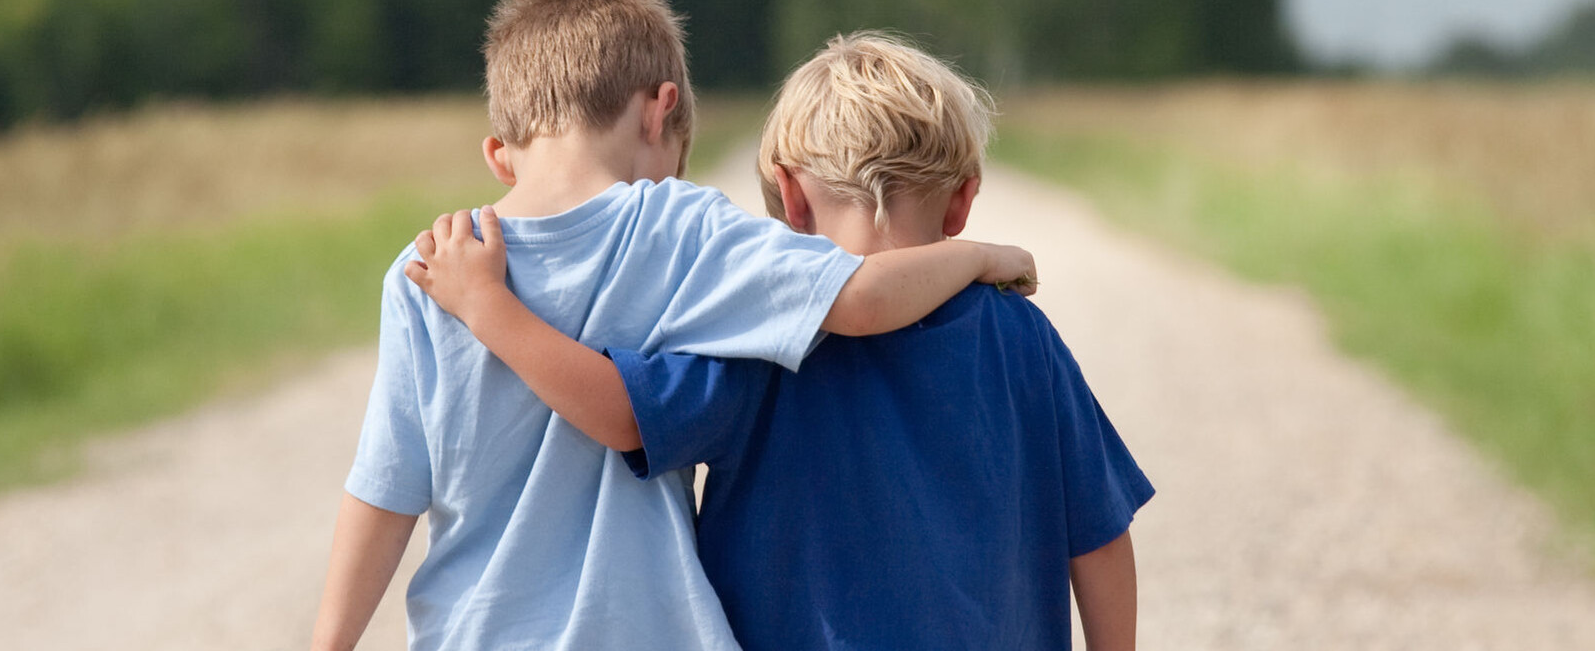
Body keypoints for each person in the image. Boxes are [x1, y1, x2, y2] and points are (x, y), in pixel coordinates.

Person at [308, 0, 1038, 651]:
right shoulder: (678, 227)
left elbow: (385, 490)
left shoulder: (428, 268)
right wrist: (979, 256)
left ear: (500, 154)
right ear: (660, 111)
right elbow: (860, 298)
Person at [412, 32, 1153, 650]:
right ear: (962, 200)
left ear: (790, 198)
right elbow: (1096, 534)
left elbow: (620, 412)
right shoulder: (1020, 336)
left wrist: (487, 307)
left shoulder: (762, 338)